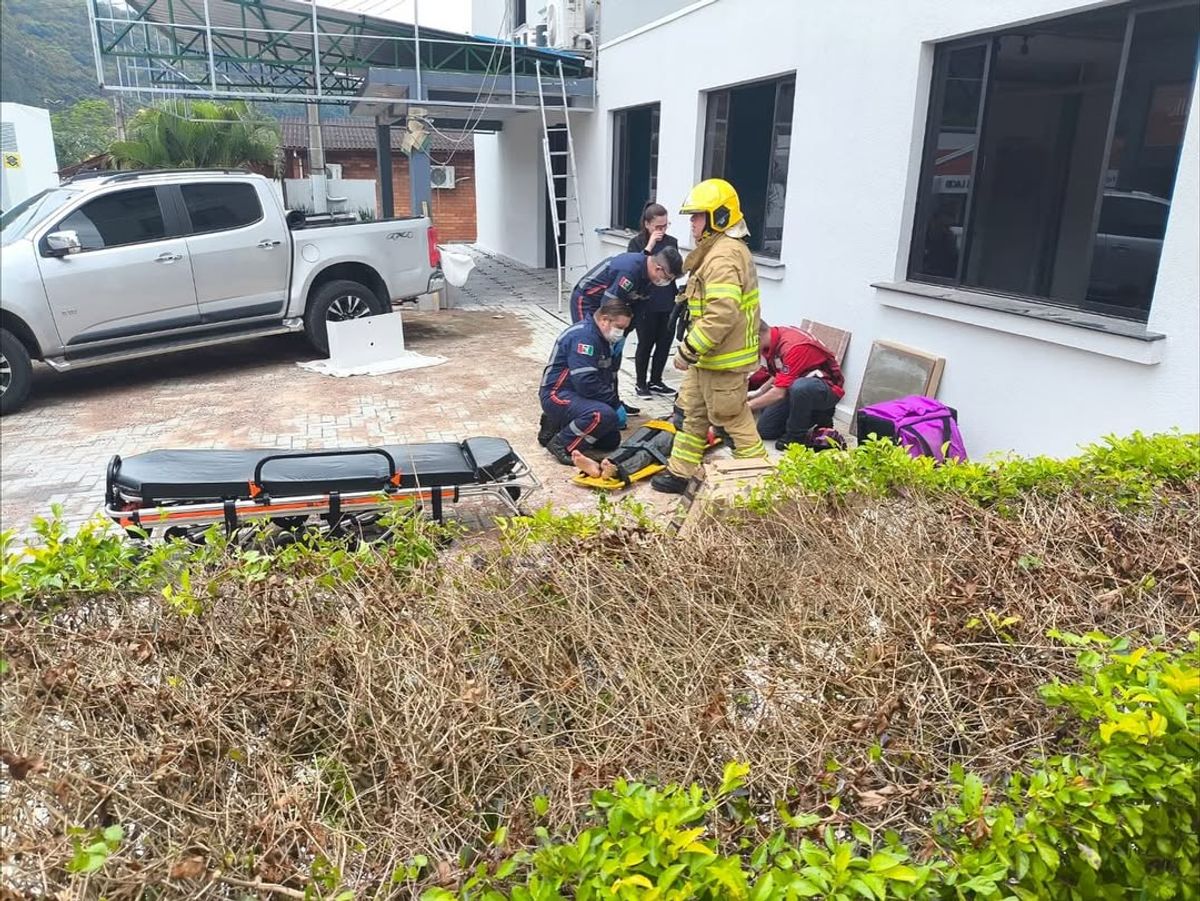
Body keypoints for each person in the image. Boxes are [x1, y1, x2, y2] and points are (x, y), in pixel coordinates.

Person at [651, 178, 767, 495]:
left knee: (733, 419)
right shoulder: (715, 250)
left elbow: (721, 313)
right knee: (692, 415)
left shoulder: (723, 256)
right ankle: (680, 472)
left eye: (698, 216)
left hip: (722, 360)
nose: (692, 223)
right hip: (709, 358)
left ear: (719, 217)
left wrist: (687, 350)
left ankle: (760, 482)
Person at [537, 298, 635, 465]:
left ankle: (558, 424)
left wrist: (613, 403)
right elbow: (585, 381)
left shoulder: (602, 338)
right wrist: (614, 403)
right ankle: (561, 444)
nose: (621, 333)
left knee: (611, 440)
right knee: (601, 415)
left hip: (576, 394)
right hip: (557, 394)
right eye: (619, 327)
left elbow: (606, 378)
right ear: (604, 320)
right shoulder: (584, 337)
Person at [748, 321, 845, 449]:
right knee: (766, 430)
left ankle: (796, 436)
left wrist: (747, 407)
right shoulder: (774, 339)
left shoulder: (793, 346)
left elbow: (778, 393)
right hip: (796, 389)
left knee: (800, 388)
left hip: (826, 389)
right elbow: (781, 373)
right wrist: (758, 392)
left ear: (757, 338)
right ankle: (815, 415)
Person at [627, 202, 682, 399]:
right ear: (647, 224)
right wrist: (650, 245)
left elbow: (676, 269)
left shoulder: (671, 242)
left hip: (667, 300)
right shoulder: (637, 243)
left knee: (664, 343)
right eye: (658, 226)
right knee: (645, 343)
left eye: (665, 225)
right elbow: (634, 266)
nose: (662, 230)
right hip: (646, 301)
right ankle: (641, 383)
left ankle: (656, 380)